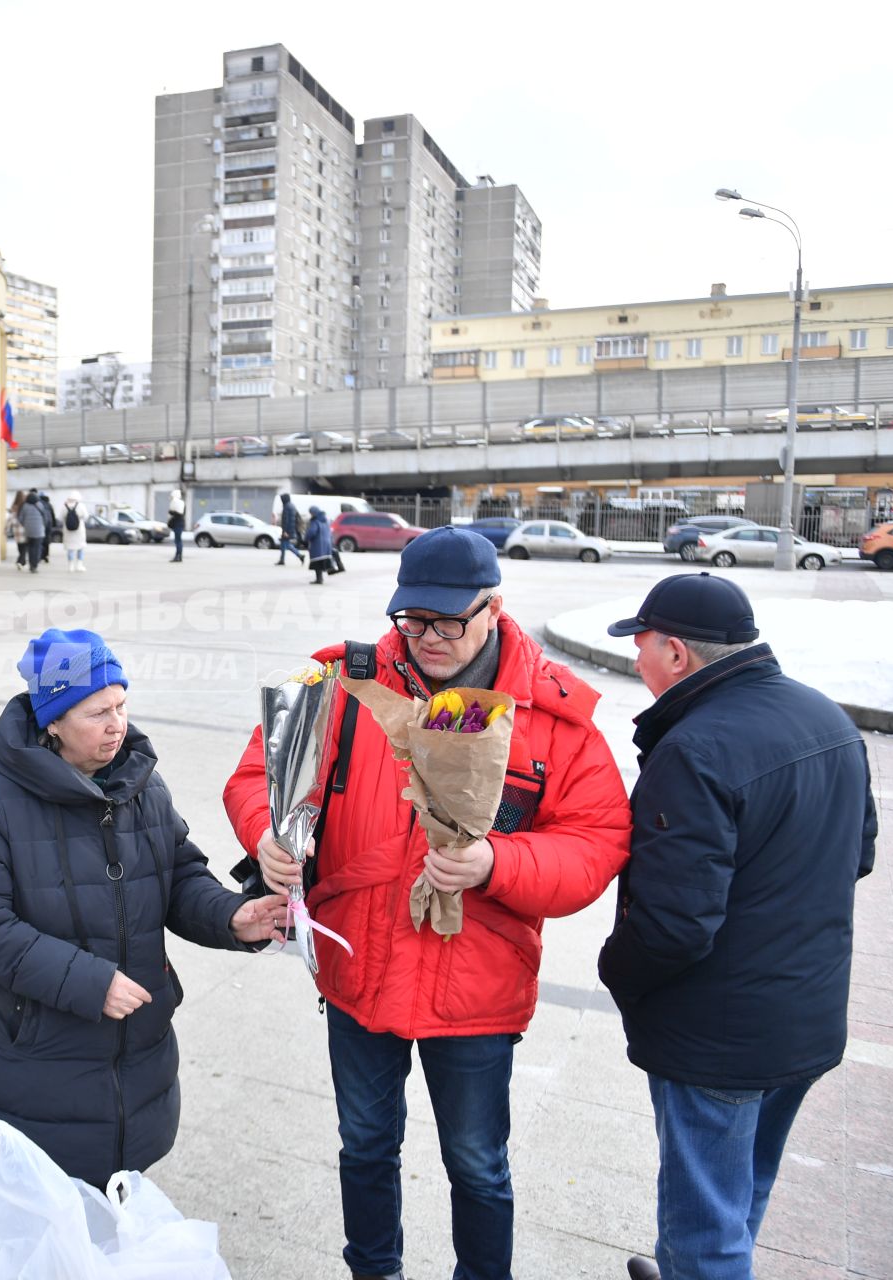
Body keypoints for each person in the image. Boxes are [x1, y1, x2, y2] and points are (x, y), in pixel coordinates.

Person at [223, 527, 631, 1280]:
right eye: (414, 619)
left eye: (450, 621)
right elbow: (258, 773)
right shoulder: (343, 682)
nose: (430, 638)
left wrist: (496, 861)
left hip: (475, 989)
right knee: (366, 1147)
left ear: (494, 608)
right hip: (358, 974)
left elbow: (597, 838)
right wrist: (271, 832)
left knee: (477, 1165)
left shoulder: (544, 710)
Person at [598, 574, 877, 1280]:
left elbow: (671, 928)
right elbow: (859, 854)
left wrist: (615, 973)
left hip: (719, 1037)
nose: (635, 659)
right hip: (805, 1018)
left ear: (678, 655)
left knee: (702, 1231)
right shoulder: (828, 718)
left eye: (641, 644)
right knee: (741, 1190)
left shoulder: (693, 750)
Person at [0, 628, 290, 1189]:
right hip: (38, 1055)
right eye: (96, 712)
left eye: (121, 705)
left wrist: (231, 915)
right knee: (52, 1220)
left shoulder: (142, 786)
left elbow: (178, 875)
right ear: (51, 721)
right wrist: (88, 981)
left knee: (121, 1203)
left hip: (138, 1052)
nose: (116, 724)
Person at [59, 492, 88, 572]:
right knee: (80, 547)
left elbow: (60, 518)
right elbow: (86, 516)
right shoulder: (81, 506)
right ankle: (79, 565)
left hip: (68, 530)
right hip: (79, 530)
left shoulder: (64, 506)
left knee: (70, 548)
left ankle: (70, 565)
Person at [306, 504, 334, 585]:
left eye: (311, 513)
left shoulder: (315, 521)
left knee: (317, 561)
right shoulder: (326, 520)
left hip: (318, 544)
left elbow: (312, 532)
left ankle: (319, 579)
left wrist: (306, 538)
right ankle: (320, 578)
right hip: (326, 543)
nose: (310, 514)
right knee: (321, 560)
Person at [276, 493, 306, 566]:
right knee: (283, 544)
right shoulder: (292, 506)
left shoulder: (286, 507)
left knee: (286, 545)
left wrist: (285, 531)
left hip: (287, 530)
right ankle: (282, 560)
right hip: (291, 528)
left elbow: (286, 520)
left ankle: (300, 555)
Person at [36, 489, 58, 568]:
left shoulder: (38, 504)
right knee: (47, 541)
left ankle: (40, 556)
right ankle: (46, 556)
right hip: (49, 524)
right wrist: (54, 524)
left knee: (40, 540)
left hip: (42, 524)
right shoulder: (49, 504)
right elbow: (53, 515)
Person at [7, 492, 29, 570]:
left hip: (16, 530)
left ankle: (22, 562)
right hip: (24, 530)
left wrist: (6, 528)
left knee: (20, 547)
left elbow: (10, 519)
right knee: (24, 548)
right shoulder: (25, 506)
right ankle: (20, 561)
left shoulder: (14, 506)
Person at [167, 489, 186, 562]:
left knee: (178, 540)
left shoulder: (177, 502)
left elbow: (178, 514)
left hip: (178, 524)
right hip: (180, 523)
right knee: (178, 540)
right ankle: (179, 556)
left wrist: (171, 512)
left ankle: (178, 556)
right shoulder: (182, 503)